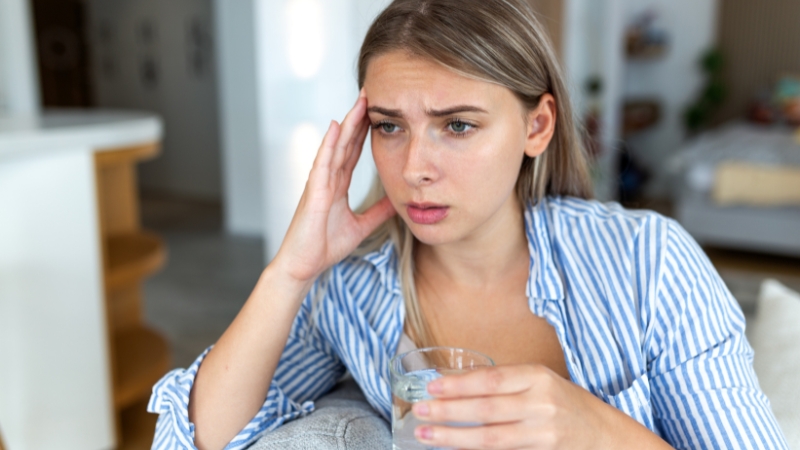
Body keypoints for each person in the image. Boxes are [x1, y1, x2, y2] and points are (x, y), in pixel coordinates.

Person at [148, 0, 789, 449]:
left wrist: (596, 431)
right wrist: (288, 273)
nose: (415, 168)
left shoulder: (647, 263)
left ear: (536, 126)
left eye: (458, 125)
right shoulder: (347, 291)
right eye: (389, 126)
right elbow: (203, 436)